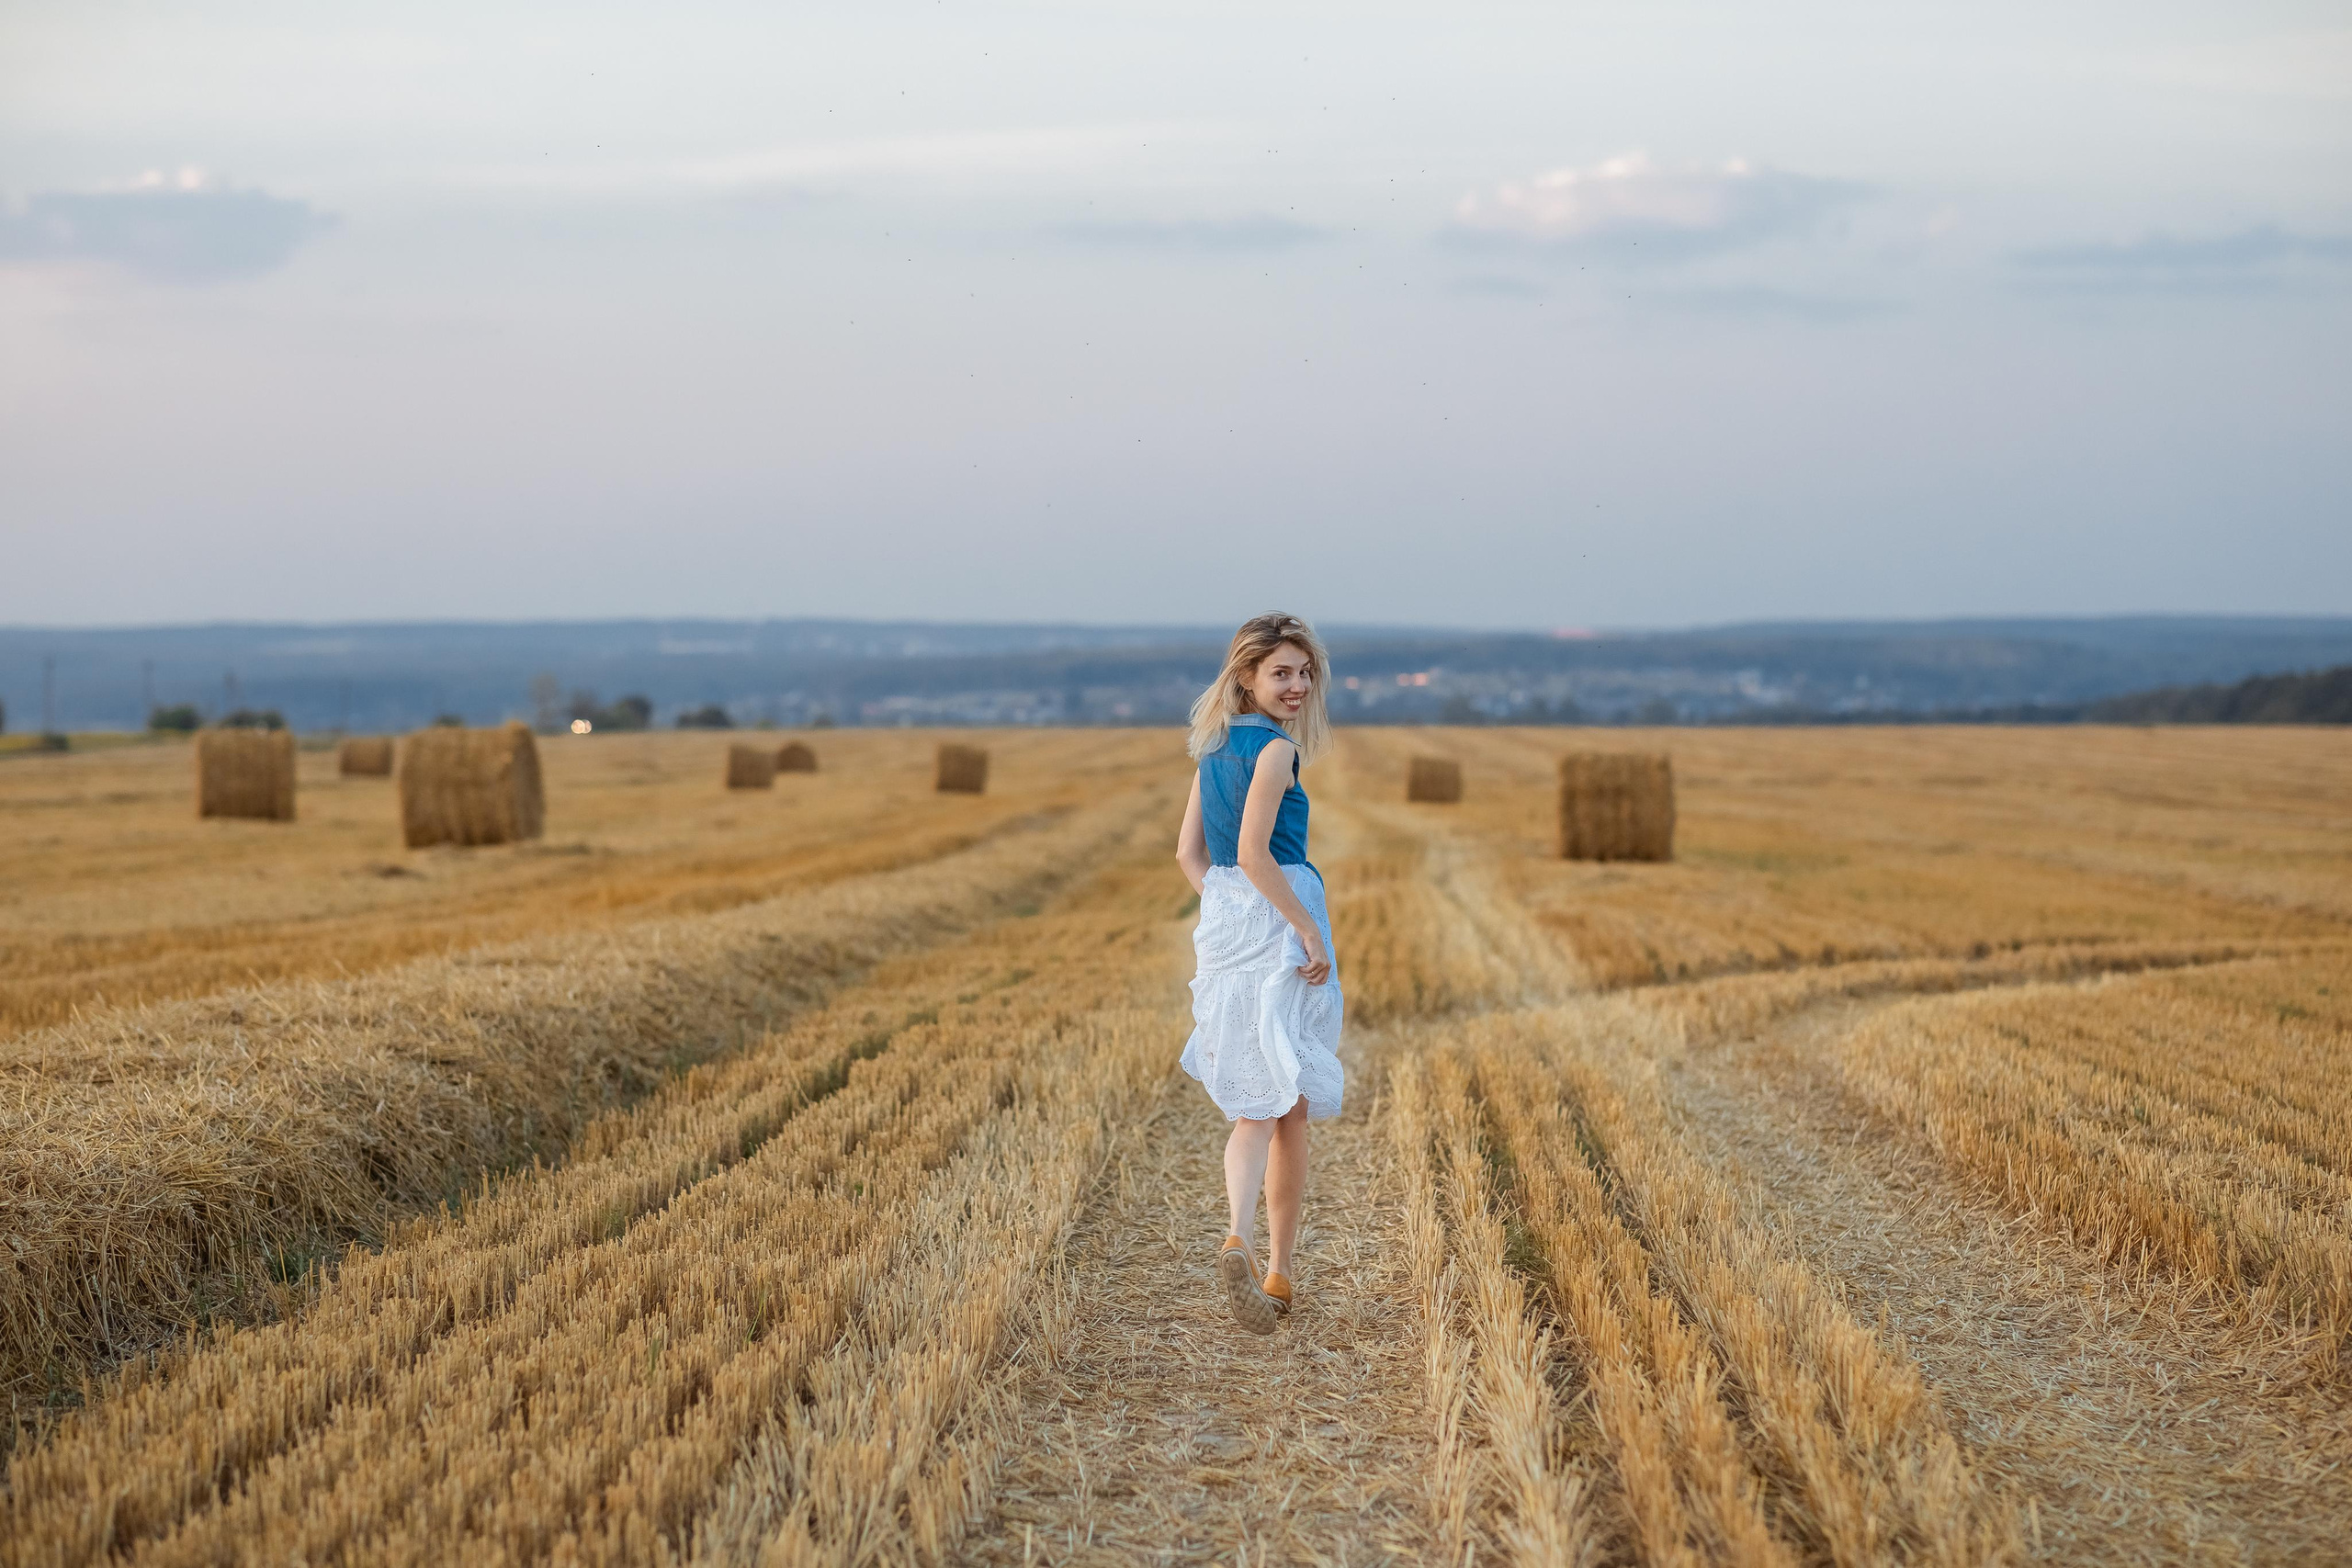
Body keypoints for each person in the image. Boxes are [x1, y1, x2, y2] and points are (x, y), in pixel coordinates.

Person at [1174, 613, 1345, 1334]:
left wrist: (1230, 913)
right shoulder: (1274, 752)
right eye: (1282, 672)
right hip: (1279, 917)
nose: (1298, 685)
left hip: (1228, 926)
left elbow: (1190, 855)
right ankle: (1278, 1270)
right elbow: (1252, 851)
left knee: (1253, 1101)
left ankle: (1237, 1237)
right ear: (1246, 676)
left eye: (1305, 672)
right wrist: (1302, 926)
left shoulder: (1211, 747)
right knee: (1293, 1102)